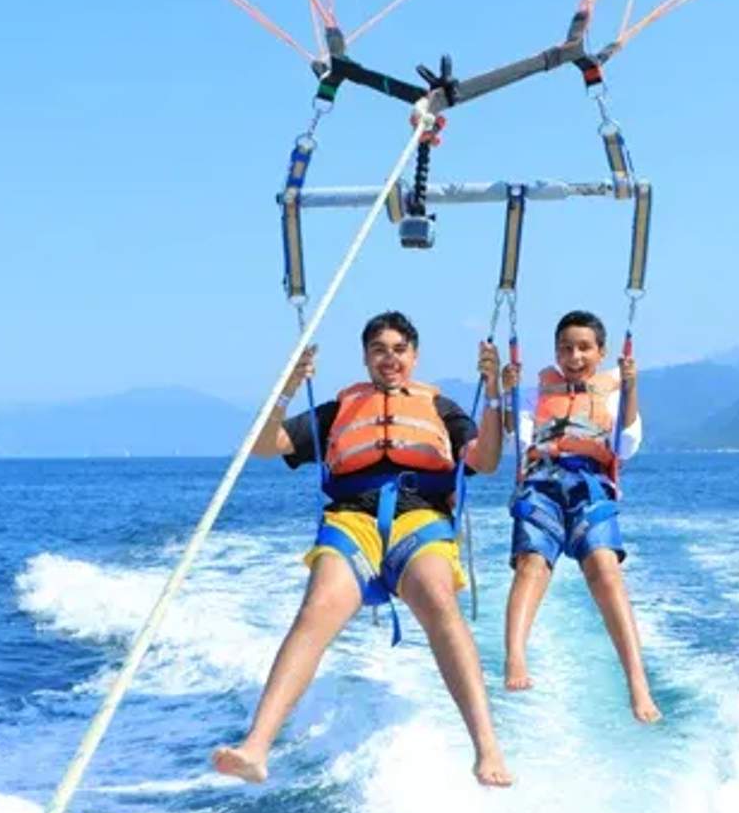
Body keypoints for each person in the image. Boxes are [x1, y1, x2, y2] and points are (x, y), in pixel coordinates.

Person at [213, 311, 515, 787]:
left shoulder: (441, 408)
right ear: (365, 358)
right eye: (379, 349)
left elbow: (488, 460)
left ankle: (487, 747)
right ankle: (256, 746)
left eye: (399, 349)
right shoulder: (339, 410)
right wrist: (288, 386)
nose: (389, 358)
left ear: (413, 356)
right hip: (352, 520)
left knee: (439, 599)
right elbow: (266, 444)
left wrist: (494, 392)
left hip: (420, 518)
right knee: (317, 608)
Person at [502, 310, 660, 723]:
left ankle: (637, 681)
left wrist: (630, 387)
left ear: (601, 352)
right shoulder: (537, 394)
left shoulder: (612, 395)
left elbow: (624, 445)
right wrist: (504, 392)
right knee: (531, 565)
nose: (574, 356)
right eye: (566, 348)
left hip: (590, 486)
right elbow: (517, 438)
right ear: (555, 352)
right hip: (541, 484)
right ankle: (516, 655)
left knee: (605, 568)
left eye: (584, 348)